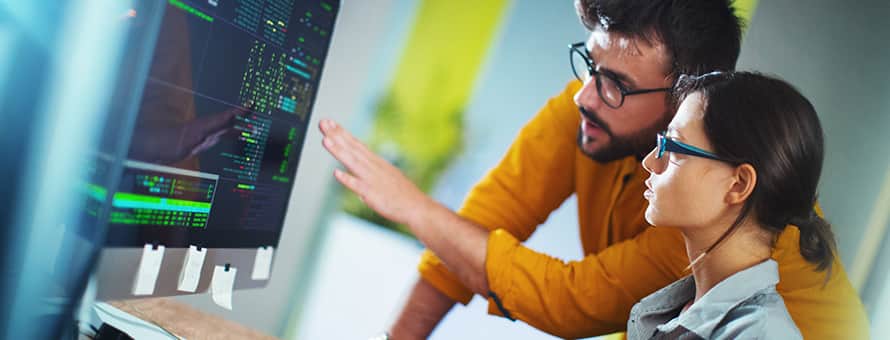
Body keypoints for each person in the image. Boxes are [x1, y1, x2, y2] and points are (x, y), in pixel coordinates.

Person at [319, 0, 869, 338]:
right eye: (592, 63)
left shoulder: (718, 216)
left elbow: (566, 301)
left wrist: (413, 206)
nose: (585, 96)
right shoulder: (590, 107)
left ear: (684, 100)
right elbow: (480, 228)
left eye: (617, 86)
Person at [628, 71, 831, 339]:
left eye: (674, 146)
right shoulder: (673, 314)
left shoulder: (760, 334)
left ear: (738, 184)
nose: (650, 162)